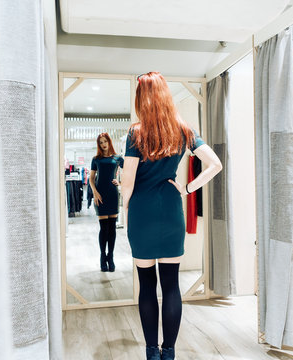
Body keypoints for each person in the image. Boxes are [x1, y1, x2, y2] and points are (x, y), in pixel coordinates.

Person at [121, 72, 222, 360]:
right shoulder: (183, 129)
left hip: (142, 212)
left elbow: (127, 182)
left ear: (142, 98)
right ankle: (169, 353)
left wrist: (127, 213)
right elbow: (214, 164)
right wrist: (188, 188)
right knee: (171, 284)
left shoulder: (136, 132)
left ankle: (152, 352)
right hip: (170, 211)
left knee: (147, 286)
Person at [89, 132, 124, 272]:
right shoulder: (96, 159)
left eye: (105, 141)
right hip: (100, 195)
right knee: (104, 229)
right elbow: (91, 179)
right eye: (101, 142)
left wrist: (120, 182)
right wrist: (95, 193)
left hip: (112, 194)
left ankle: (111, 257)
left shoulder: (117, 158)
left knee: (112, 229)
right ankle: (103, 256)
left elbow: (130, 172)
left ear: (109, 142)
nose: (103, 144)